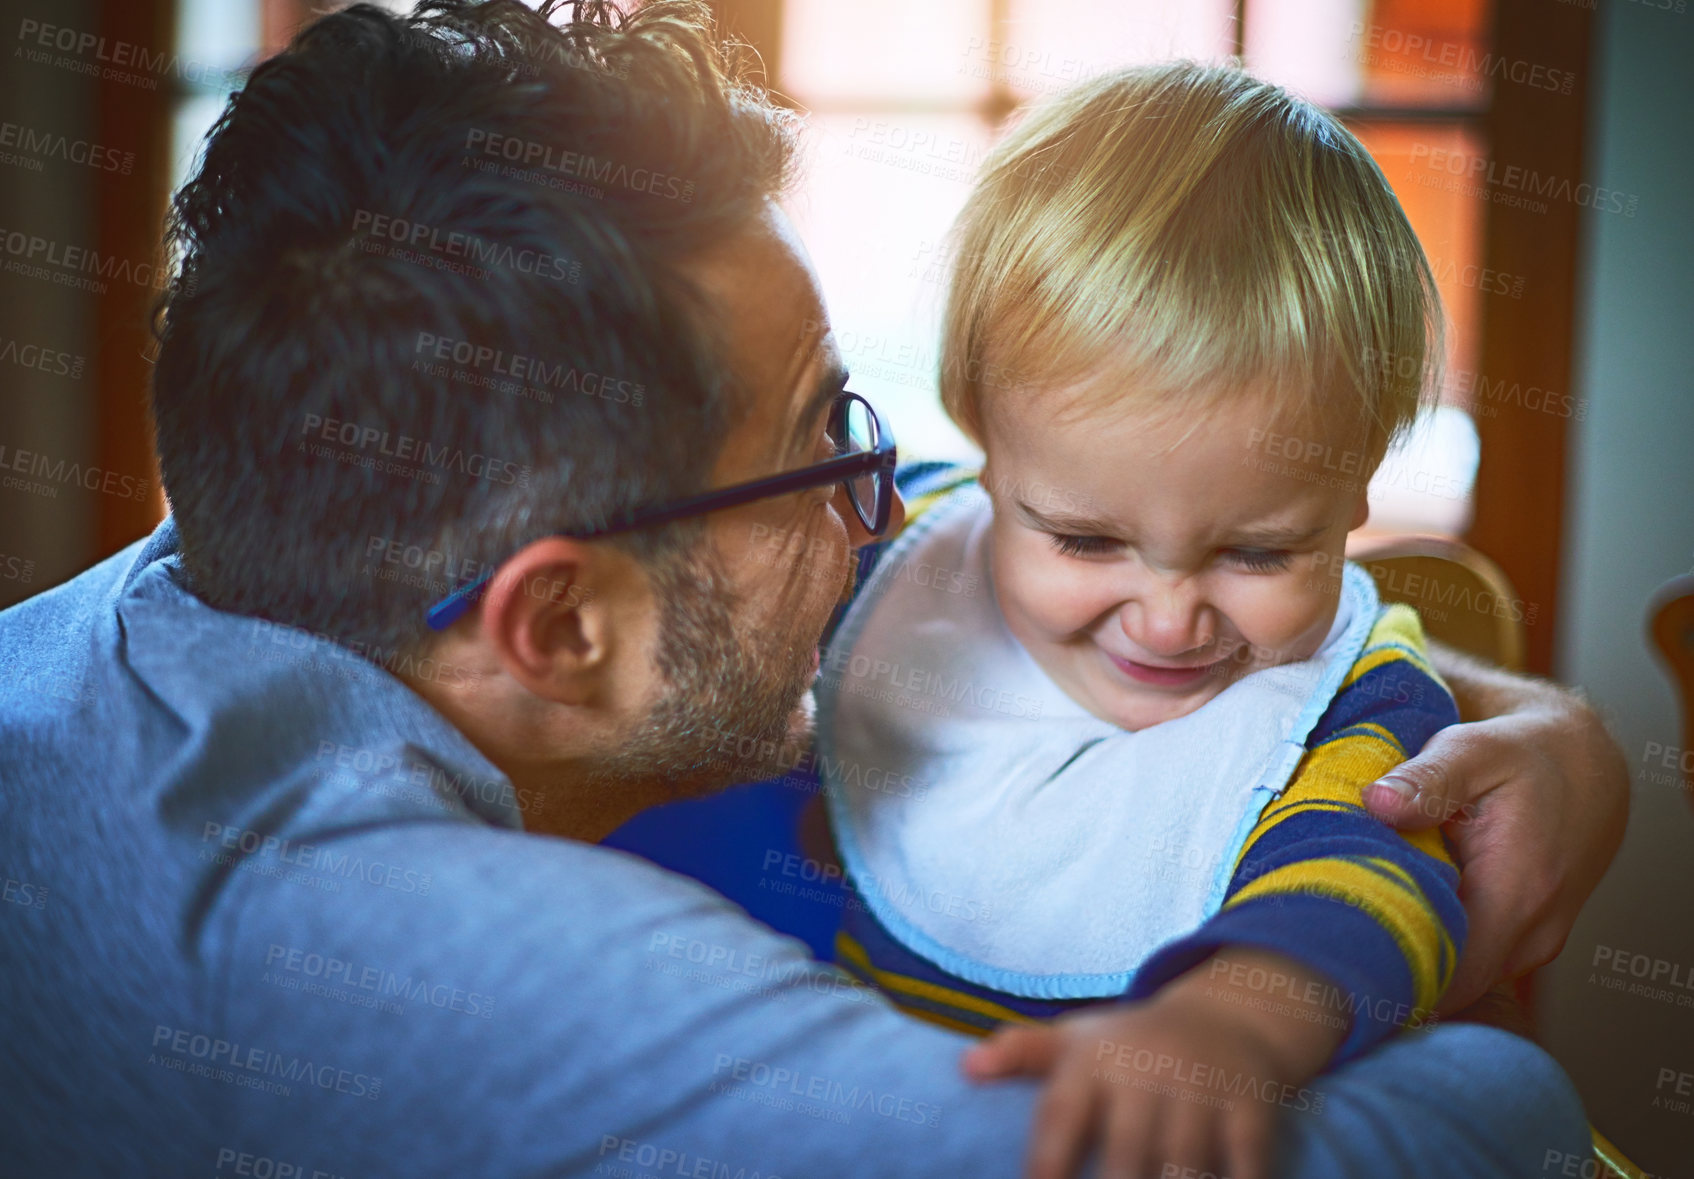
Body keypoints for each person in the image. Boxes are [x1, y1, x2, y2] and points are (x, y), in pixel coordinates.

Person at [0, 2, 1621, 1176]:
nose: (882, 508)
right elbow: (1473, 1128)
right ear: (559, 623)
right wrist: (1492, 1041)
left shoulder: (262, 554)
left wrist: (1521, 716)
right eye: (820, 444)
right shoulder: (422, 962)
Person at [788, 61, 1523, 1179]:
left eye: (1258, 551)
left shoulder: (1347, 696)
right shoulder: (892, 553)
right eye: (1084, 541)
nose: (1171, 620)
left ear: (1356, 490)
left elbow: (1370, 878)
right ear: (988, 448)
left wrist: (1230, 1023)